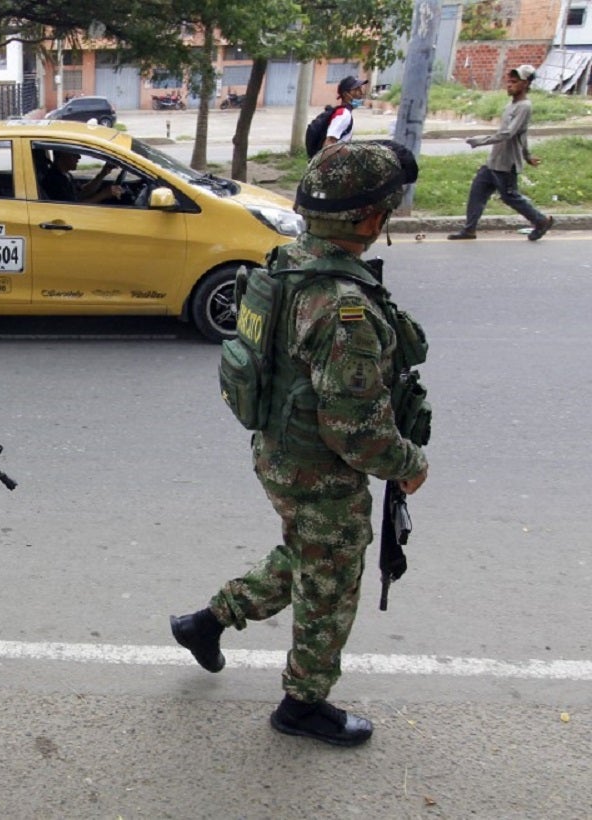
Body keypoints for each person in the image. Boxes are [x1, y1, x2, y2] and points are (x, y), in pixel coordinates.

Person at [170, 141, 429, 747]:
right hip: (319, 464)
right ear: (369, 220)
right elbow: (356, 429)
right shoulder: (343, 308)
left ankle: (207, 622)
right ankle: (303, 704)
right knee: (332, 582)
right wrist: (410, 464)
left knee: (313, 556)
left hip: (279, 450)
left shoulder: (287, 261)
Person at [448, 64, 554, 241]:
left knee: (510, 197)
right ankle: (469, 230)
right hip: (494, 161)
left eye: (515, 82)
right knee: (477, 192)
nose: (510, 85)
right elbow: (523, 134)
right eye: (509, 81)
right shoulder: (511, 105)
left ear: (526, 84)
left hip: (506, 163)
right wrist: (528, 156)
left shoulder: (524, 107)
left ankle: (541, 221)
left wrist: (480, 141)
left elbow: (509, 133)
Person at [40, 149, 123, 203]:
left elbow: (83, 192)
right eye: (74, 154)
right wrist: (104, 194)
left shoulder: (65, 175)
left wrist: (103, 173)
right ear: (62, 155)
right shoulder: (53, 181)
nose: (79, 157)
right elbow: (75, 207)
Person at [324, 76, 368, 149]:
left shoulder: (346, 112)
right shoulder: (343, 114)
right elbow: (329, 143)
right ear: (345, 94)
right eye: (357, 89)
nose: (361, 93)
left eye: (361, 88)